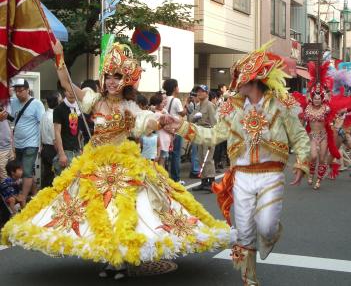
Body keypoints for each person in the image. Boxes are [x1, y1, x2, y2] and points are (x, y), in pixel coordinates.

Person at [1, 39, 231, 280]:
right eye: (108, 75)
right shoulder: (94, 100)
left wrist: (159, 120)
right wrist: (59, 58)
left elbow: (146, 122)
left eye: (117, 76)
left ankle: (120, 261)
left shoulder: (130, 106)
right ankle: (110, 259)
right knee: (96, 213)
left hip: (123, 165)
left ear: (126, 80)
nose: (111, 81)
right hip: (93, 163)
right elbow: (68, 85)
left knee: (122, 213)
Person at [164, 43, 310, 286]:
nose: (234, 84)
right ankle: (249, 280)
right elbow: (211, 135)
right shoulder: (231, 108)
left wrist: (302, 162)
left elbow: (299, 136)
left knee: (266, 226)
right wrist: (179, 126)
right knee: (243, 232)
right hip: (241, 175)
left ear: (253, 80)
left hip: (271, 174)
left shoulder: (281, 104)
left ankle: (271, 232)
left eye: (239, 79)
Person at [0, 79, 44, 205]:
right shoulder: (13, 102)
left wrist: (41, 143)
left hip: (31, 143)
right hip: (18, 144)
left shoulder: (37, 104)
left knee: (26, 171)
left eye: (21, 91)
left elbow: (41, 123)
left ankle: (22, 196)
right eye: (16, 91)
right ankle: (35, 193)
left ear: (27, 89)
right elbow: (11, 118)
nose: (18, 94)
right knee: (24, 171)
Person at [190, 85, 217, 192]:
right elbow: (190, 119)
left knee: (208, 158)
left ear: (206, 93)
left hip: (208, 132)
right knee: (201, 157)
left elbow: (214, 122)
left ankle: (212, 182)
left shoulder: (210, 105)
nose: (199, 93)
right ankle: (204, 181)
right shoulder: (197, 106)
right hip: (199, 132)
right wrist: (195, 117)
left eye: (202, 91)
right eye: (198, 92)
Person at [53, 88, 82, 175]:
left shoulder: (79, 108)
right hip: (65, 151)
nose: (71, 93)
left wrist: (80, 148)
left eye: (73, 91)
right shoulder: (59, 109)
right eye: (68, 91)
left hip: (76, 151)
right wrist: (61, 153)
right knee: (64, 182)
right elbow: (57, 132)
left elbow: (78, 131)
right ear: (64, 92)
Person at [163, 79, 186, 183]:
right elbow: (182, 113)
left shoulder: (163, 98)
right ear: (174, 88)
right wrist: (186, 105)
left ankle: (165, 177)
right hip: (175, 130)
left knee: (166, 154)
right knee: (176, 154)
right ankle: (176, 178)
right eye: (177, 86)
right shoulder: (176, 100)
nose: (178, 88)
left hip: (165, 130)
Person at [40, 91, 60, 187]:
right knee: (53, 175)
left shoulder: (44, 114)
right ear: (57, 102)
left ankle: (43, 195)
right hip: (52, 148)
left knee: (46, 173)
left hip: (45, 148)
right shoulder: (53, 116)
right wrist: (60, 152)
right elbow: (55, 138)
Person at [150, 93, 172, 168]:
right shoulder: (157, 114)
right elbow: (168, 126)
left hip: (164, 141)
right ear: (157, 104)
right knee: (160, 164)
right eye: (162, 102)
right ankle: (161, 179)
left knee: (160, 163)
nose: (164, 104)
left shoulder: (162, 112)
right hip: (160, 141)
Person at [0, 100, 14, 181]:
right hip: (1, 150)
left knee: (12, 175)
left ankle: (12, 192)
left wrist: (13, 146)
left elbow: (9, 127)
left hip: (9, 147)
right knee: (4, 177)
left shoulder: (4, 107)